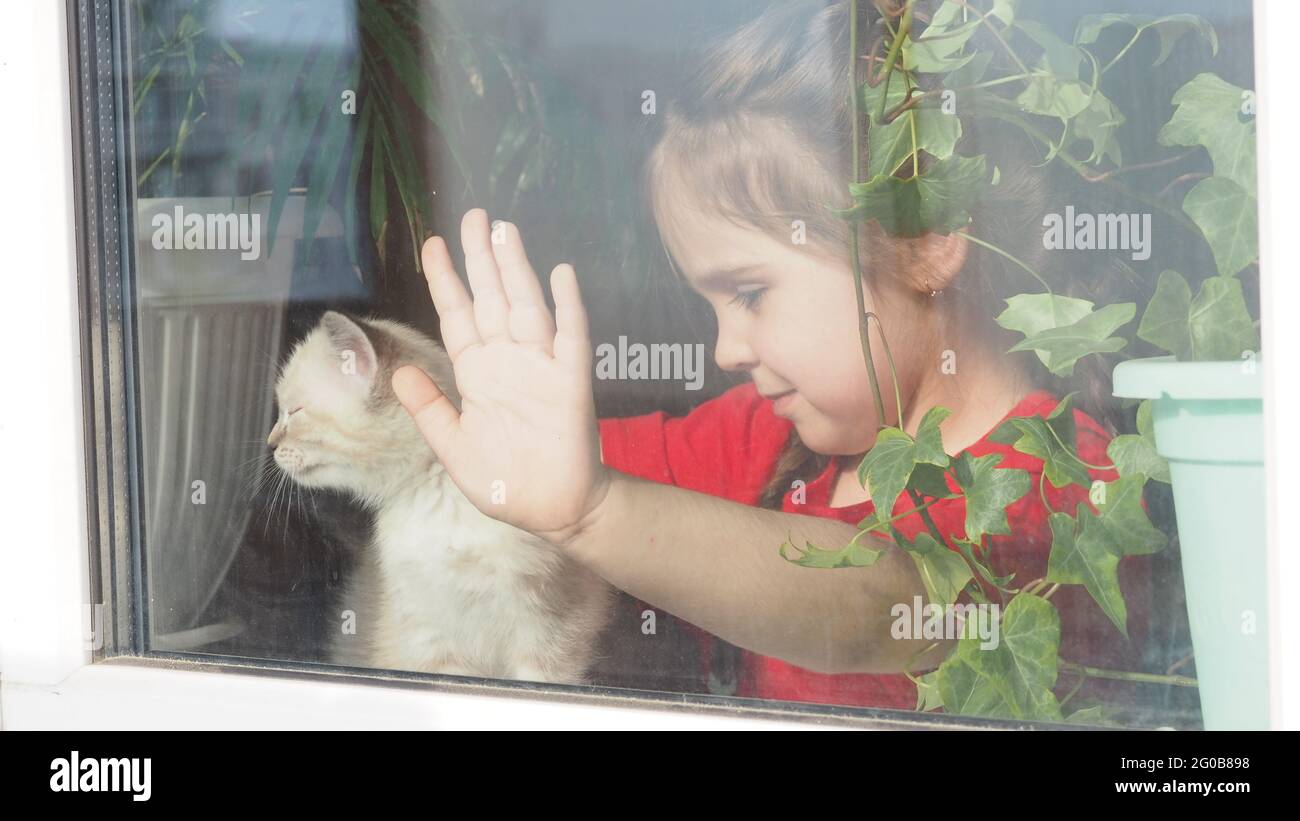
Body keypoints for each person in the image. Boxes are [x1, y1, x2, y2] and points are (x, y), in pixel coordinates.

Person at [392, 0, 1150, 712]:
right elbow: (548, 469)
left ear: (923, 239)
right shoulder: (763, 435)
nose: (725, 348)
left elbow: (880, 605)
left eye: (750, 294)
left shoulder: (1059, 478)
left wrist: (596, 514)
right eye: (710, 306)